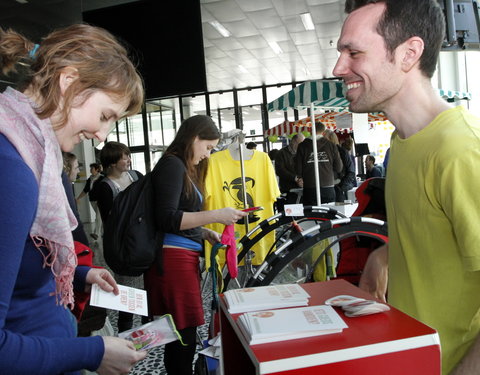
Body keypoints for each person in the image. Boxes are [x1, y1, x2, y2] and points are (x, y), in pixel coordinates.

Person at [333, 1, 480, 373]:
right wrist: (383, 256)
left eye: (354, 52)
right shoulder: (403, 145)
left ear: (409, 53)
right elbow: (438, 236)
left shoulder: (461, 150)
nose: (338, 68)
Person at [0, 24, 147, 374]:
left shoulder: (35, 153)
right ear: (69, 82)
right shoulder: (14, 169)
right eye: (105, 116)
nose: (101, 135)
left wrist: (80, 274)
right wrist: (91, 353)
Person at [143, 115, 248, 375]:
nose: (208, 155)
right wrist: (216, 216)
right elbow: (167, 218)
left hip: (181, 256)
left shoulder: (180, 167)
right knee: (183, 333)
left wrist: (204, 233)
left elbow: (177, 216)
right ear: (194, 138)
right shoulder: (172, 165)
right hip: (172, 260)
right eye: (208, 147)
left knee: (182, 331)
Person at [95, 141, 144, 333]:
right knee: (127, 291)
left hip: (143, 240)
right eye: (123, 157)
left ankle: (149, 329)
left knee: (148, 289)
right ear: (112, 162)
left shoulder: (136, 176)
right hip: (123, 246)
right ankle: (125, 333)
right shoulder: (104, 186)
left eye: (128, 155)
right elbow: (110, 221)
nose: (128, 160)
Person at [295, 121, 343, 205]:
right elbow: (339, 168)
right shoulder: (331, 145)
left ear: (310, 131)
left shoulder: (302, 146)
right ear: (323, 132)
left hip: (310, 187)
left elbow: (298, 170)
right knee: (328, 215)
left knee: (311, 214)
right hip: (328, 186)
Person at [323, 129, 356, 202]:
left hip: (338, 188)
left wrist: (341, 186)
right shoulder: (324, 152)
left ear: (331, 139)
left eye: (325, 139)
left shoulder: (342, 152)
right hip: (328, 187)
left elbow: (351, 171)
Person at [274, 133, 305, 203]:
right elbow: (280, 170)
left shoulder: (302, 153)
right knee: (292, 212)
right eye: (299, 143)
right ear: (293, 142)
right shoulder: (281, 153)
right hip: (288, 190)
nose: (301, 146)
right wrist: (295, 178)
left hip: (302, 189)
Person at [76, 163, 103, 241]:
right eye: (90, 168)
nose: (90, 170)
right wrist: (78, 198)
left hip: (100, 200)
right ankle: (104, 232)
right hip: (92, 200)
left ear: (97, 169)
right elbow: (85, 190)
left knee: (98, 216)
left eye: (92, 168)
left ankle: (96, 233)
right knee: (100, 217)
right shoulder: (90, 179)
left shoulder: (102, 178)